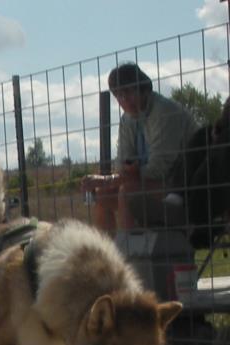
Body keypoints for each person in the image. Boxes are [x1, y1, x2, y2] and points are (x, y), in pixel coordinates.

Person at [82, 63, 197, 236]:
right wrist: (109, 180)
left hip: (183, 186)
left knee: (127, 192)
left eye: (128, 92)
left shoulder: (164, 112)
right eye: (118, 95)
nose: (124, 100)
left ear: (143, 89)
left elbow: (160, 168)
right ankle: (106, 253)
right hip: (149, 183)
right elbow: (123, 165)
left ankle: (133, 255)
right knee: (101, 195)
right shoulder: (127, 120)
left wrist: (112, 179)